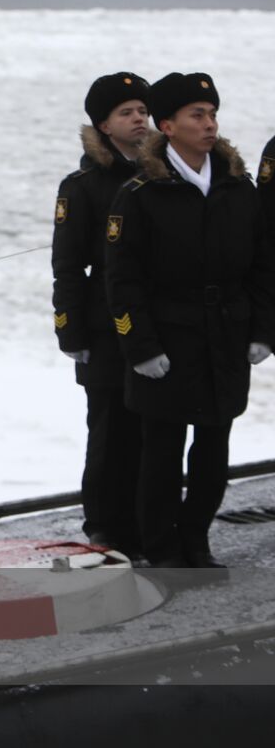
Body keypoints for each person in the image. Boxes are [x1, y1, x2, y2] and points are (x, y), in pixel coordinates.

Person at [105, 74, 274, 567]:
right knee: (161, 451)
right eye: (197, 115)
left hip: (225, 336)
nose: (209, 124)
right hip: (168, 338)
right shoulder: (140, 193)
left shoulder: (236, 187)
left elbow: (263, 263)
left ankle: (197, 541)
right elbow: (122, 281)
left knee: (214, 447)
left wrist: (263, 330)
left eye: (212, 114)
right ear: (168, 125)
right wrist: (140, 346)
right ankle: (161, 549)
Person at [51, 73, 151, 557]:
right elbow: (67, 265)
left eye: (143, 111)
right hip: (102, 322)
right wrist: (69, 331)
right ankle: (105, 527)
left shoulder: (161, 175)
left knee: (152, 430)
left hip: (154, 321)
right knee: (109, 428)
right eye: (127, 113)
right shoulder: (84, 185)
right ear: (104, 124)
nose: (139, 120)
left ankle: (149, 521)